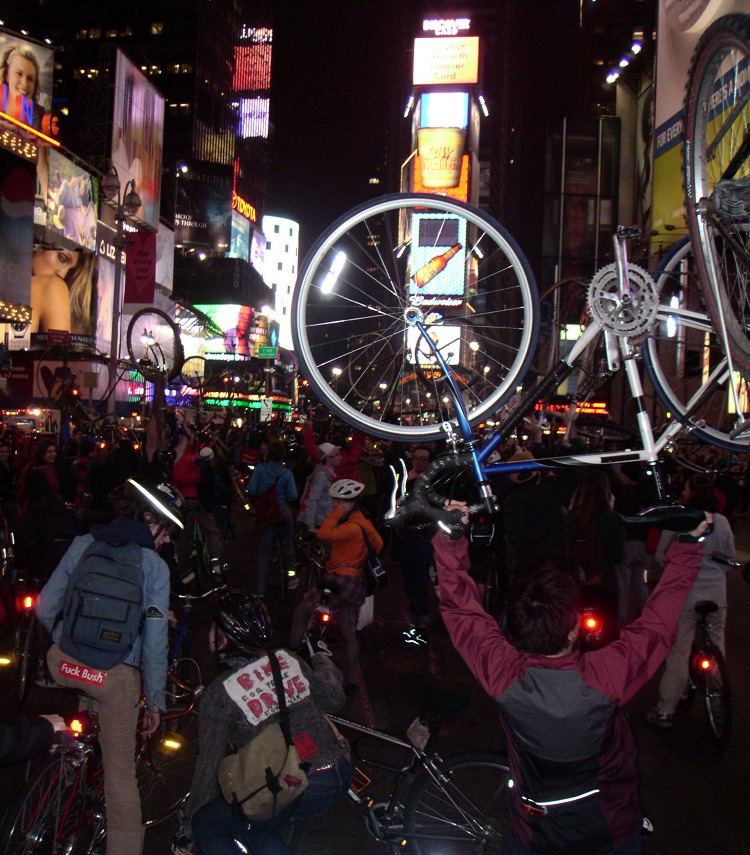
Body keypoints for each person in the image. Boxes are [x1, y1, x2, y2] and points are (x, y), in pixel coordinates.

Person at [434, 500, 709, 855]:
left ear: (513, 630)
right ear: (572, 630)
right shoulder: (606, 677)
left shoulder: (502, 675)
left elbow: (460, 610)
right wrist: (687, 546)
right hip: (610, 832)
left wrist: (450, 538)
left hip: (533, 834)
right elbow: (658, 623)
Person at [35, 478, 176, 855]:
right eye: (166, 533)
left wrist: (67, 639)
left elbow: (44, 607)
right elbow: (155, 640)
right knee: (120, 779)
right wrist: (156, 702)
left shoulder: (84, 544)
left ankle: (67, 771)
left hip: (62, 662)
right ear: (152, 523)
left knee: (90, 689)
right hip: (114, 678)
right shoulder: (155, 568)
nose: (165, 542)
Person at [176, 589, 351, 855]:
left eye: (214, 628)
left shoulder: (219, 693)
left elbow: (208, 768)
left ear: (223, 638)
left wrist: (187, 828)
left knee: (211, 824)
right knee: (261, 825)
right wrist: (320, 658)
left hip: (301, 782)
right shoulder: (284, 658)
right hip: (340, 767)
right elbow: (334, 698)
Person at [646, 473, 735, 728]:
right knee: (717, 641)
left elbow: (662, 556)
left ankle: (665, 710)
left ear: (690, 494)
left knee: (679, 651)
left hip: (686, 594)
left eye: (684, 488)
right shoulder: (723, 522)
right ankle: (719, 692)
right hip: (717, 594)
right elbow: (728, 558)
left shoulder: (678, 521)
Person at [290, 479, 383, 696]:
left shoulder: (351, 527)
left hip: (340, 580)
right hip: (357, 584)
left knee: (302, 610)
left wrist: (336, 514)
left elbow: (324, 534)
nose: (333, 505)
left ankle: (291, 655)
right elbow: (378, 544)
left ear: (348, 504)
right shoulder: (363, 522)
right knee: (348, 631)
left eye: (336, 501)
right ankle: (351, 681)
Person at [172, 412, 224, 581]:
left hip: (195, 499)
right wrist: (199, 475)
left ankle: (184, 570)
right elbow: (180, 478)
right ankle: (210, 567)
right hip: (193, 500)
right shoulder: (187, 455)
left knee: (189, 535)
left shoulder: (189, 453)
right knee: (209, 533)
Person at [247, 439, 298, 596]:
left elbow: (252, 490)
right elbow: (293, 495)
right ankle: (291, 577)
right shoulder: (286, 473)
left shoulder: (260, 470)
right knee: (288, 543)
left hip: (267, 512)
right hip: (283, 511)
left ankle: (260, 589)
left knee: (264, 551)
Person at [396, 446, 434, 642]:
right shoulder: (404, 480)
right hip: (406, 535)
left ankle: (422, 619)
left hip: (423, 535)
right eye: (416, 458)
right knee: (409, 578)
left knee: (420, 577)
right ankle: (415, 613)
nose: (419, 461)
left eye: (423, 458)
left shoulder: (431, 483)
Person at [30, 250, 94, 336]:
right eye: (62, 258)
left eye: (70, 271)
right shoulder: (54, 285)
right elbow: (60, 348)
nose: (62, 275)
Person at [297, 442, 341, 532]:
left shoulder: (326, 474)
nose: (341, 457)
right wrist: (311, 527)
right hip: (321, 522)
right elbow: (312, 500)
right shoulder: (322, 476)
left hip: (325, 521)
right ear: (328, 458)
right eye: (337, 455)